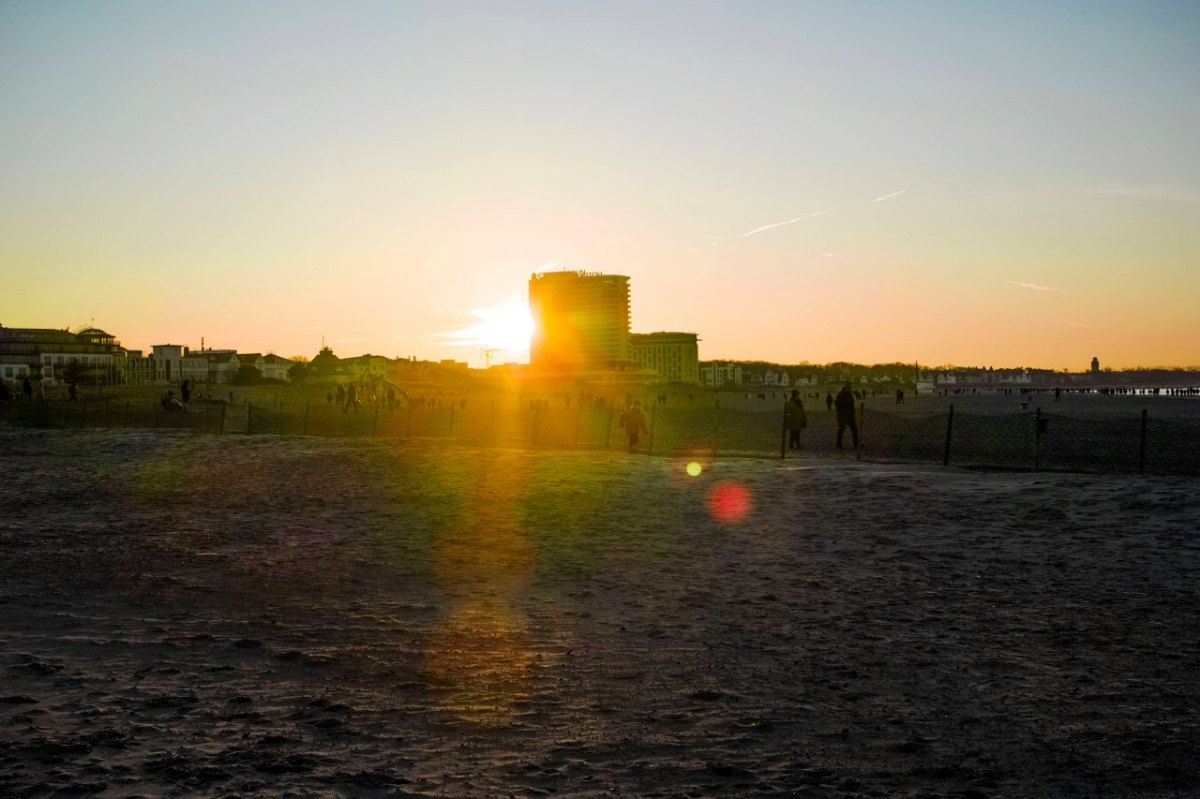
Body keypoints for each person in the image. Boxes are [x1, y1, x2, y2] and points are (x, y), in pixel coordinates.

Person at [835, 382, 858, 449]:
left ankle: (856, 443)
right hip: (843, 415)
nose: (850, 388)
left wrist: (852, 410)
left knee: (855, 429)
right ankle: (838, 444)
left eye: (850, 387)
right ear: (845, 387)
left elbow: (851, 404)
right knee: (841, 430)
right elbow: (838, 405)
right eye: (849, 387)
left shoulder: (849, 394)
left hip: (850, 414)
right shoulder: (841, 395)